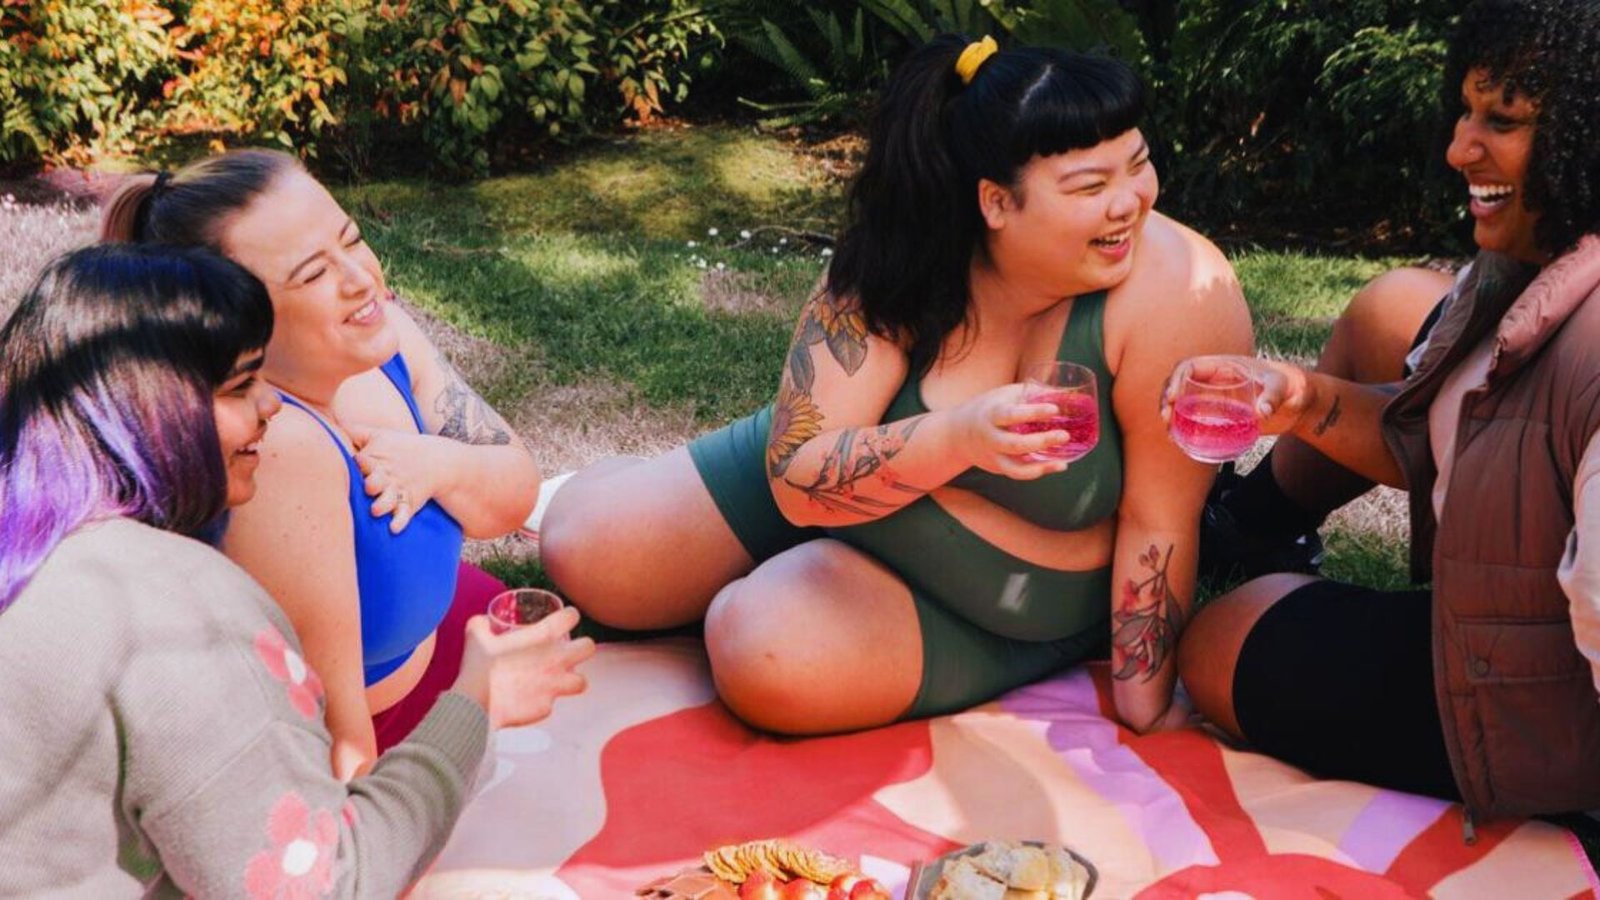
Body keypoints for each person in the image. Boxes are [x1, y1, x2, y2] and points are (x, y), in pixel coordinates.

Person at [541, 34, 1252, 735]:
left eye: (1137, 165)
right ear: (995, 203)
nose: (1130, 202)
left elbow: (1161, 520)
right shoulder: (904, 249)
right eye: (1090, 187)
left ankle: (790, 582)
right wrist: (960, 437)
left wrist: (1146, 704)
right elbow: (797, 476)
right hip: (830, 478)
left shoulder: (1177, 293)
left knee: (764, 650)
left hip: (990, 603)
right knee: (588, 556)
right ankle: (635, 501)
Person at [0, 244, 594, 895]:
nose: (271, 407)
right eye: (238, 387)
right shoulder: (184, 611)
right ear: (149, 411)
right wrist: (478, 706)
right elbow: (325, 882)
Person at [1174, 0, 1600, 823]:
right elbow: (1445, 444)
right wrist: (1298, 398)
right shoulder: (1526, 256)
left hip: (1540, 725)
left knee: (1215, 644)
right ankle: (1254, 525)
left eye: (1502, 119)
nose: (1458, 147)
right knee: (1390, 308)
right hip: (1504, 630)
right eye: (1466, 109)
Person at [101, 151, 543, 779]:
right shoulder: (278, 449)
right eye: (312, 274)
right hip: (390, 741)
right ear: (232, 319)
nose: (361, 279)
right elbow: (336, 744)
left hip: (445, 640)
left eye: (351, 240)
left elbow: (516, 490)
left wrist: (437, 463)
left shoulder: (380, 333)